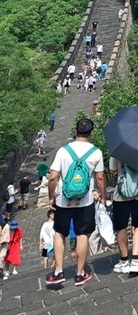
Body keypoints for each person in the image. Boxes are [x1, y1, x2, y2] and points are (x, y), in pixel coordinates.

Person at [46, 117, 106, 287]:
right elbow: (100, 177)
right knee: (82, 234)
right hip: (85, 200)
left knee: (59, 232)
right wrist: (103, 195)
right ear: (91, 133)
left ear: (75, 131)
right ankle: (80, 273)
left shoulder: (63, 151)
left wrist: (52, 196)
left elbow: (53, 178)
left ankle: (58, 271)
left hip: (63, 200)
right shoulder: (96, 152)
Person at [109, 156, 138, 274]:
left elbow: (112, 170)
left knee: (121, 227)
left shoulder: (119, 149)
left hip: (121, 194)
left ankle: (124, 261)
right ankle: (135, 261)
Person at [0, 214, 9, 279]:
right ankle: (1, 272)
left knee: (2, 255)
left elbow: (0, 226)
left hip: (4, 231)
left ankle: (1, 272)